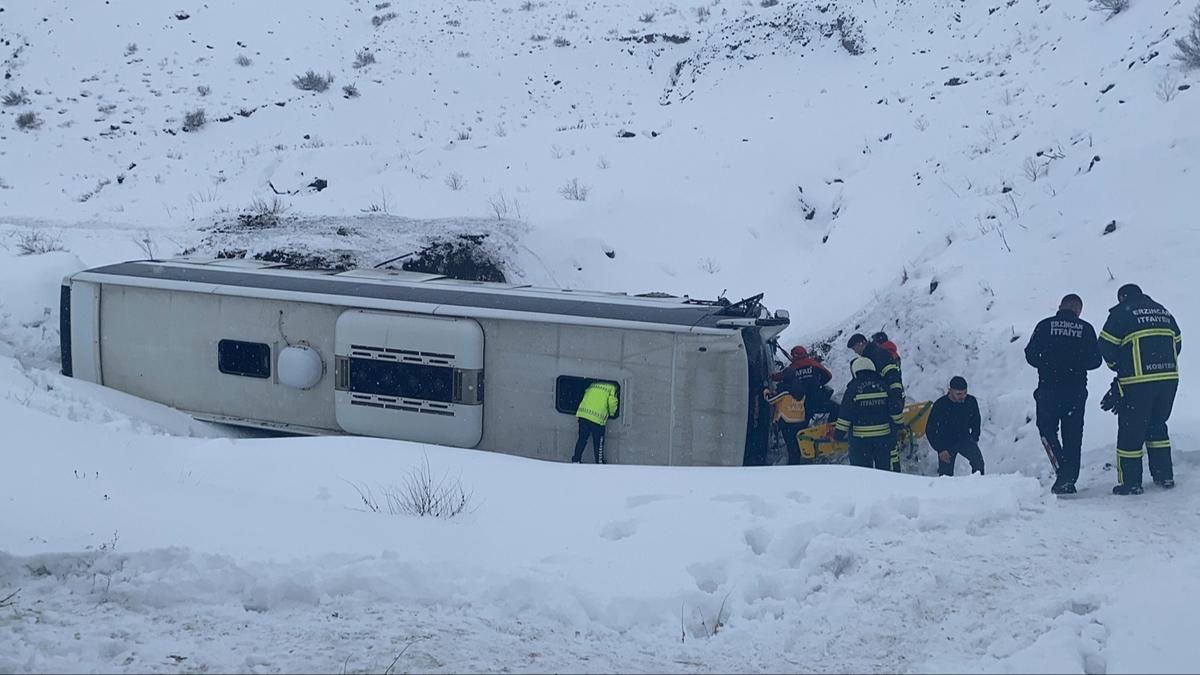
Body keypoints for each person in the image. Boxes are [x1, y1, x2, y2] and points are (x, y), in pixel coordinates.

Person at [1098, 284, 1182, 495]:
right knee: (1157, 426)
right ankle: (1165, 476)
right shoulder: (1163, 311)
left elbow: (1106, 347)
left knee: (1131, 431)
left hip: (1137, 382)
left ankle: (1131, 483)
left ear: (1122, 297)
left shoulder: (1121, 313)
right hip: (1168, 380)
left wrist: (1120, 367)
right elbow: (1177, 343)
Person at [1024, 293, 1102, 495]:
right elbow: (1096, 360)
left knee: (1046, 430)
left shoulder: (1044, 325)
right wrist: (1075, 362)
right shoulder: (1086, 329)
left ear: (1060, 306)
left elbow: (1030, 354)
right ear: (1078, 309)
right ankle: (1069, 478)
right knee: (1073, 435)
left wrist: (1049, 362)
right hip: (1075, 390)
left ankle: (1063, 473)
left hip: (1048, 388)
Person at [833, 357, 899, 471]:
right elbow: (894, 410)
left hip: (860, 440)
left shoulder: (853, 388)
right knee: (884, 471)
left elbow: (845, 415)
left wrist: (838, 435)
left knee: (862, 473)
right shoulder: (884, 386)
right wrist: (900, 425)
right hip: (883, 438)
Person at [926, 376, 985, 476]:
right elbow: (930, 429)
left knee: (978, 463)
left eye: (965, 393)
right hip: (945, 442)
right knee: (946, 476)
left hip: (964, 438)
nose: (962, 396)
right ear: (950, 391)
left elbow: (976, 421)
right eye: (958, 394)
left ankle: (978, 486)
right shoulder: (940, 405)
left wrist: (975, 438)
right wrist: (940, 449)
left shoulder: (971, 401)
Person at [847, 333, 905, 425]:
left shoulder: (878, 355)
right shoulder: (872, 355)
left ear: (861, 343)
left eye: (855, 348)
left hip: (887, 398)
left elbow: (892, 376)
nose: (855, 352)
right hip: (882, 398)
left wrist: (896, 396)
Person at [772, 345, 835, 423]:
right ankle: (832, 426)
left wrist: (771, 376)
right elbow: (828, 376)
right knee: (836, 408)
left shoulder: (792, 368)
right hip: (817, 398)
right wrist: (819, 383)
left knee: (802, 419)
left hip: (799, 403)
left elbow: (780, 377)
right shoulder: (814, 364)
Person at [571, 381, 619, 464]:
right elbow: (612, 402)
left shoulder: (593, 384)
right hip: (597, 418)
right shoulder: (612, 387)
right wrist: (612, 413)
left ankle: (576, 459)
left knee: (582, 439)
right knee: (598, 442)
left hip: (583, 415)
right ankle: (599, 462)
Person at [763, 384, 808, 465]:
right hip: (800, 421)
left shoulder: (784, 391)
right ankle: (797, 464)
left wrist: (766, 391)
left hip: (787, 422)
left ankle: (791, 467)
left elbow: (770, 400)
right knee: (796, 448)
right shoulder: (801, 390)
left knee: (790, 448)